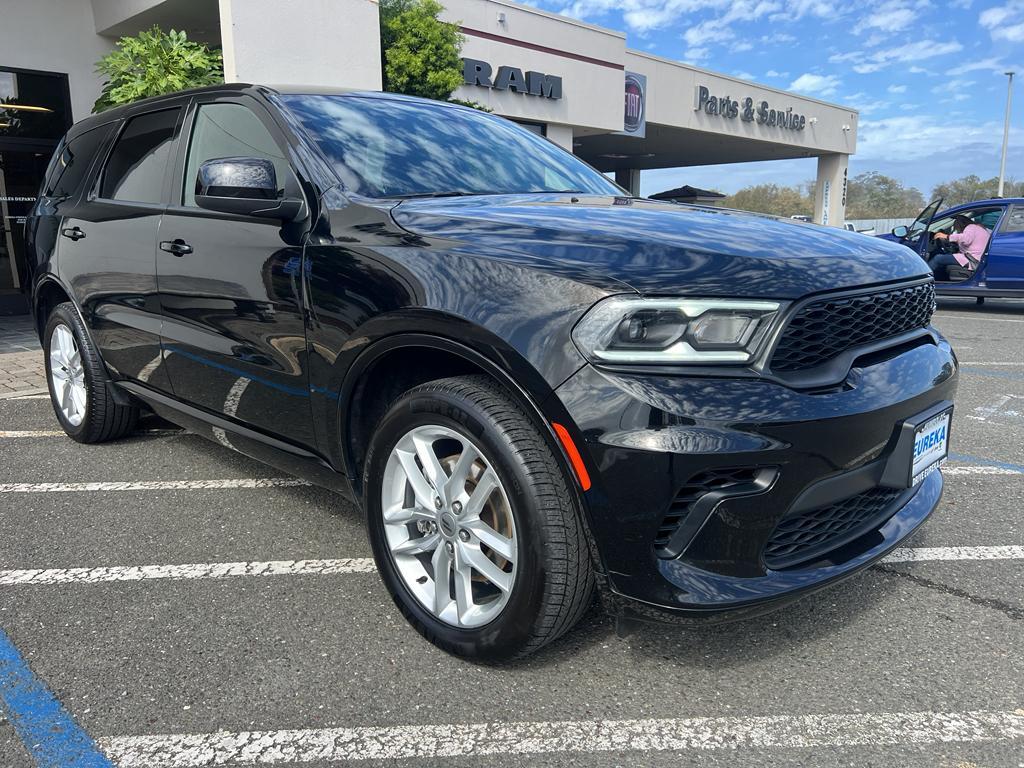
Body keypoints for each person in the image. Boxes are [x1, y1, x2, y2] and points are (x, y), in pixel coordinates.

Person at [929, 215, 989, 280]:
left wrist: (947, 236)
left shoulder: (970, 227)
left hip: (972, 259)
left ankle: (922, 278)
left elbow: (966, 239)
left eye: (956, 228)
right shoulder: (977, 228)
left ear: (960, 224)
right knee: (944, 259)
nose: (957, 230)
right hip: (977, 259)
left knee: (937, 258)